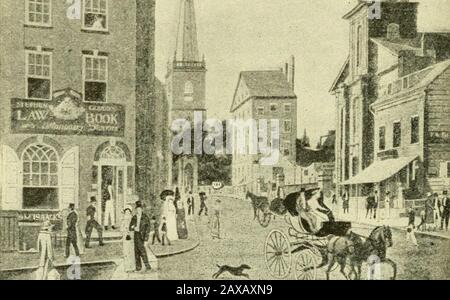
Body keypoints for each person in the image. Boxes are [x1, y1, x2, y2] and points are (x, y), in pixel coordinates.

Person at [129, 201, 151, 272]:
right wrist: (133, 227)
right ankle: (138, 267)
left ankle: (147, 266)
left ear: (142, 209)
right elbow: (130, 227)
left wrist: (146, 239)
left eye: (140, 209)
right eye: (137, 209)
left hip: (142, 235)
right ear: (136, 210)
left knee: (142, 251)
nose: (138, 210)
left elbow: (148, 228)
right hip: (136, 235)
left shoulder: (145, 217)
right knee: (136, 251)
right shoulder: (134, 217)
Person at [121, 205, 135, 272]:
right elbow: (121, 229)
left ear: (130, 213)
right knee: (126, 252)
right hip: (125, 237)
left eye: (128, 212)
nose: (127, 214)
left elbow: (134, 228)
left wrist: (131, 230)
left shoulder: (132, 220)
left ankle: (132, 267)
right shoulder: (123, 221)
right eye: (126, 213)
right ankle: (127, 267)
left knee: (132, 252)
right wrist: (125, 231)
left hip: (132, 237)